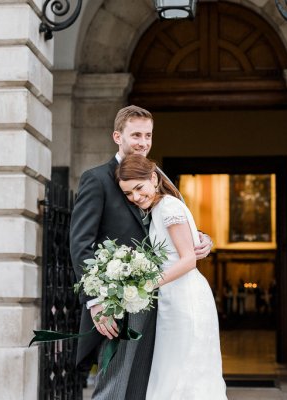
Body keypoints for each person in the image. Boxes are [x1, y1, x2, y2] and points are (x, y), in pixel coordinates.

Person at [69, 105, 213, 400]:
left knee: (144, 389)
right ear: (117, 136)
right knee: (114, 386)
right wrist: (96, 301)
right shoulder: (96, 180)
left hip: (164, 304)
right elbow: (80, 244)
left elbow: (175, 225)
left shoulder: (158, 176)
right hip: (119, 304)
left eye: (147, 135)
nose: (143, 142)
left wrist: (203, 240)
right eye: (136, 135)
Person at [116, 154, 227, 400]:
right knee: (171, 370)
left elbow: (188, 259)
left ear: (153, 178)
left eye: (139, 188)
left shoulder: (168, 206)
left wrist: (145, 284)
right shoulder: (158, 209)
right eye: (128, 193)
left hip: (185, 297)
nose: (135, 197)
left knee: (184, 371)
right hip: (172, 296)